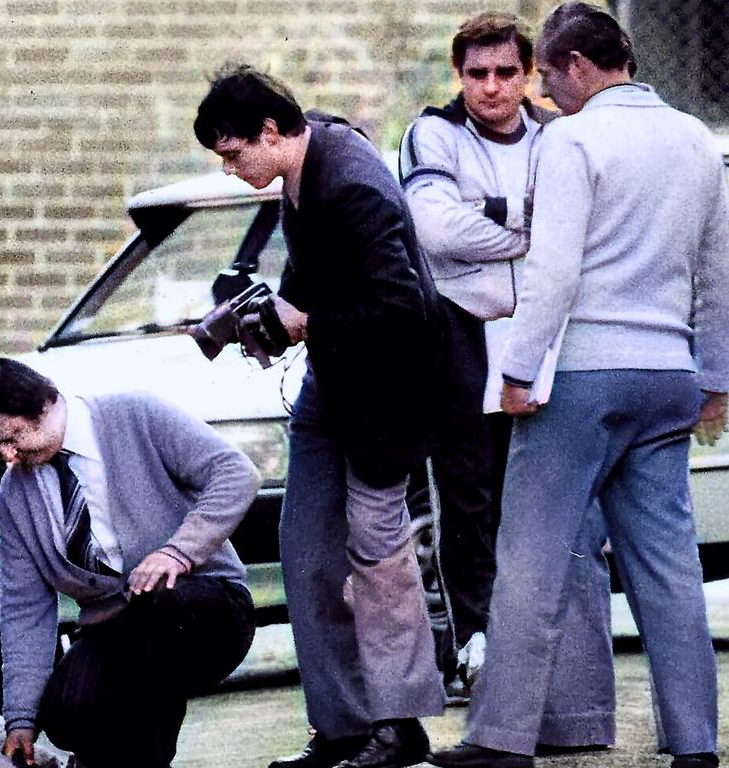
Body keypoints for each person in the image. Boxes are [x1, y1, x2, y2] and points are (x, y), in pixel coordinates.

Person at [430, 4, 729, 768]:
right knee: (668, 567)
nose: (544, 97)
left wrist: (519, 371)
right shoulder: (698, 140)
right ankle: (695, 743)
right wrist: (719, 379)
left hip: (583, 375)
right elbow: (719, 274)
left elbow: (553, 270)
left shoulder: (571, 139)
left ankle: (500, 738)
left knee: (529, 553)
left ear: (577, 68)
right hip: (667, 375)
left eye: (548, 80)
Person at [195, 65, 444, 768]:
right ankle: (340, 727)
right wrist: (259, 314)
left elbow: (405, 310)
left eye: (234, 152)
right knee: (304, 553)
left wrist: (305, 320)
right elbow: (318, 272)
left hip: (386, 398)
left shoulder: (352, 184)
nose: (231, 167)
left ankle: (399, 726)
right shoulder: (306, 162)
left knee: (379, 561)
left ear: (270, 131)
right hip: (333, 389)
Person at [399, 10, 617, 749]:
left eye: (505, 72)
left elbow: (587, 231)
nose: (491, 88)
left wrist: (496, 234)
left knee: (542, 509)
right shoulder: (433, 133)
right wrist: (534, 238)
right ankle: (476, 651)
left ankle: (545, 671)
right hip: (461, 334)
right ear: (458, 76)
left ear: (528, 74)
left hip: (547, 337)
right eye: (475, 73)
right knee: (467, 500)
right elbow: (435, 228)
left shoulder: (558, 134)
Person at [0, 357, 260, 768]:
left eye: (14, 436)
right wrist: (21, 718)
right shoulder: (15, 494)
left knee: (159, 618)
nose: (8, 455)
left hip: (202, 609)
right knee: (64, 712)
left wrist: (179, 551)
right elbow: (25, 607)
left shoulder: (135, 414)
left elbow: (235, 471)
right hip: (118, 629)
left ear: (45, 405)